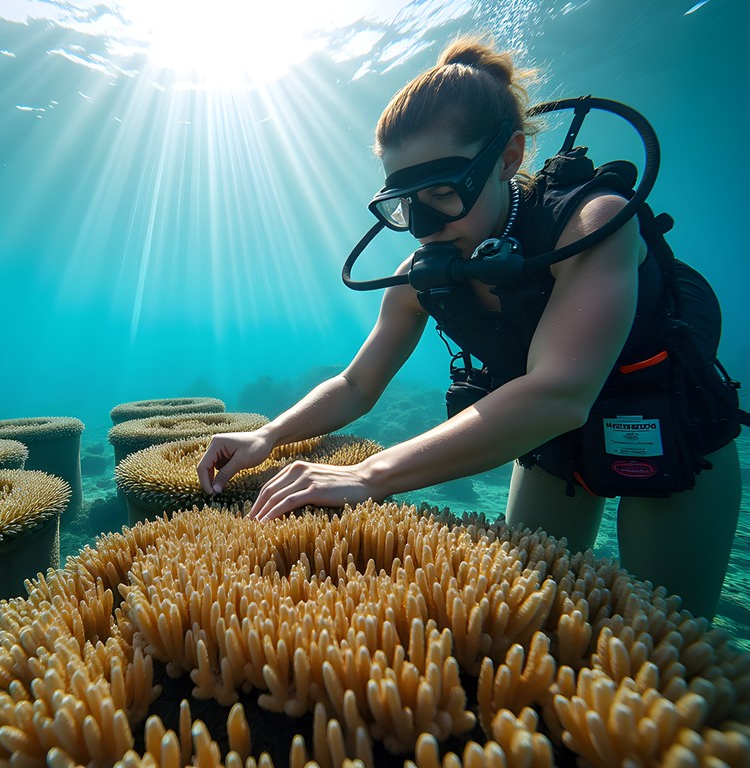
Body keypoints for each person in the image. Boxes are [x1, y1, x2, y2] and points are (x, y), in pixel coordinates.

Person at [198, 35, 745, 620]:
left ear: (509, 157)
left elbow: (560, 393)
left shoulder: (593, 223)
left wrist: (368, 474)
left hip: (671, 432)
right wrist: (270, 435)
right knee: (532, 615)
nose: (426, 225)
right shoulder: (423, 274)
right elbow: (358, 385)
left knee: (665, 637)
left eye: (444, 191)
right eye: (407, 203)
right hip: (545, 443)